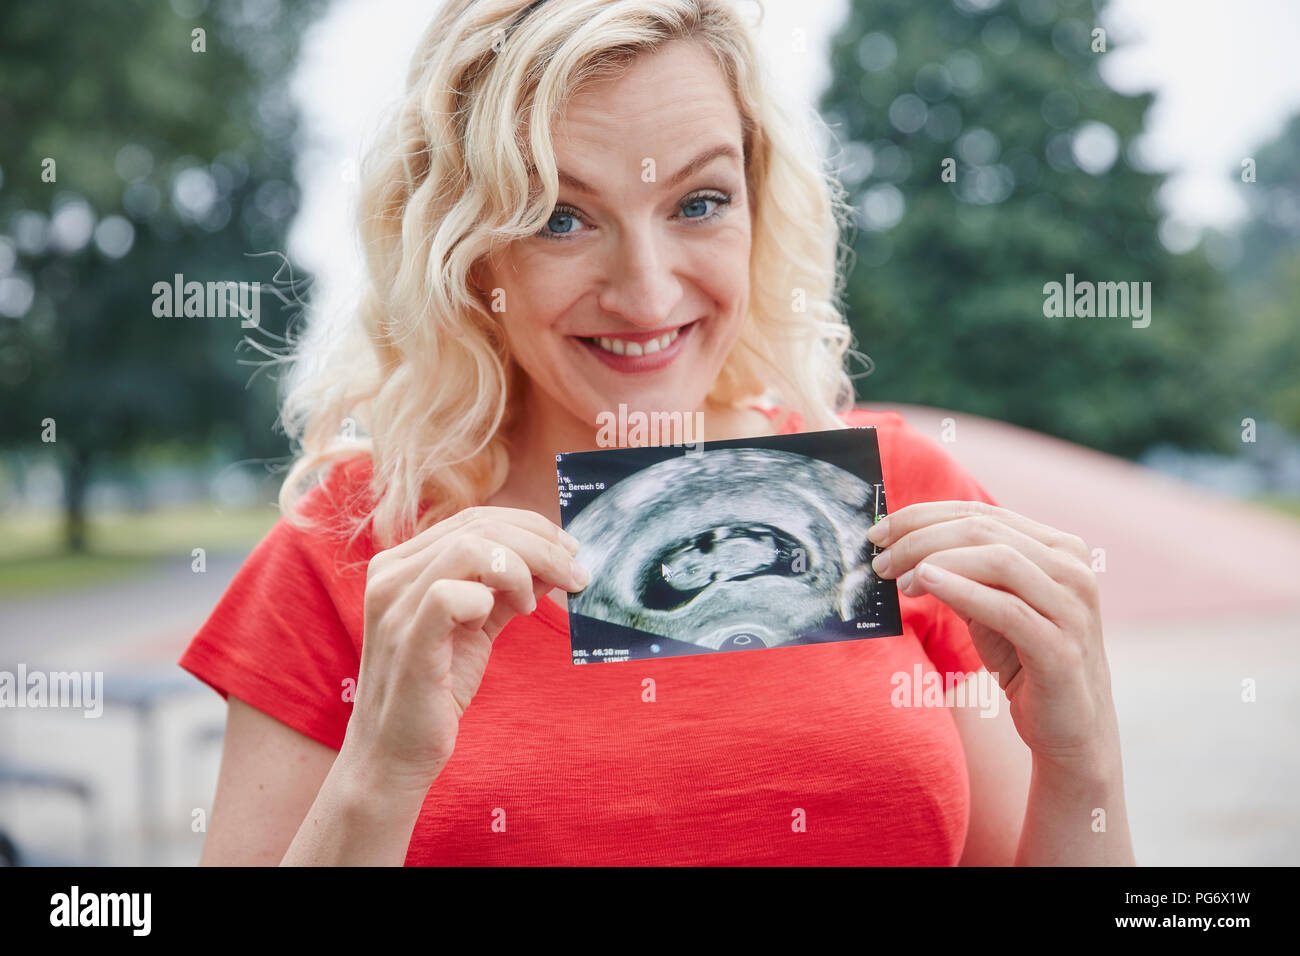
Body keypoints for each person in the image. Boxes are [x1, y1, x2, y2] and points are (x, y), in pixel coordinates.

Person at [180, 0, 1134, 866]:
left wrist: (1083, 761)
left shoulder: (901, 503)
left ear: (757, 206)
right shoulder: (349, 547)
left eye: (699, 202)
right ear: (468, 252)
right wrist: (379, 775)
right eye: (561, 217)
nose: (646, 291)